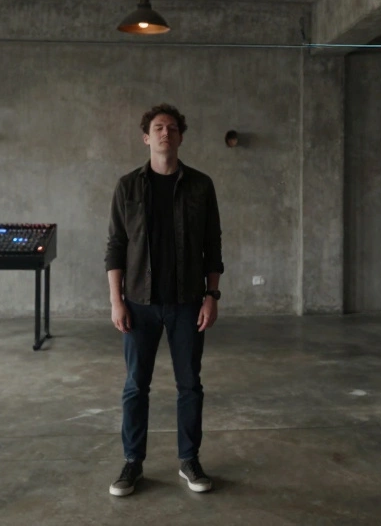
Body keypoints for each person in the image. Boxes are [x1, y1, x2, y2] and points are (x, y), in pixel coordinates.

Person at [104, 103, 224, 497]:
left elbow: (212, 245)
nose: (165, 133)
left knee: (190, 385)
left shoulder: (201, 185)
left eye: (172, 128)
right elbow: (115, 246)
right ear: (146, 137)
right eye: (158, 127)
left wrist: (211, 295)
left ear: (181, 136)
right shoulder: (127, 186)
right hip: (139, 303)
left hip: (188, 302)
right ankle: (132, 462)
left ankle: (189, 460)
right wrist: (116, 301)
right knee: (136, 386)